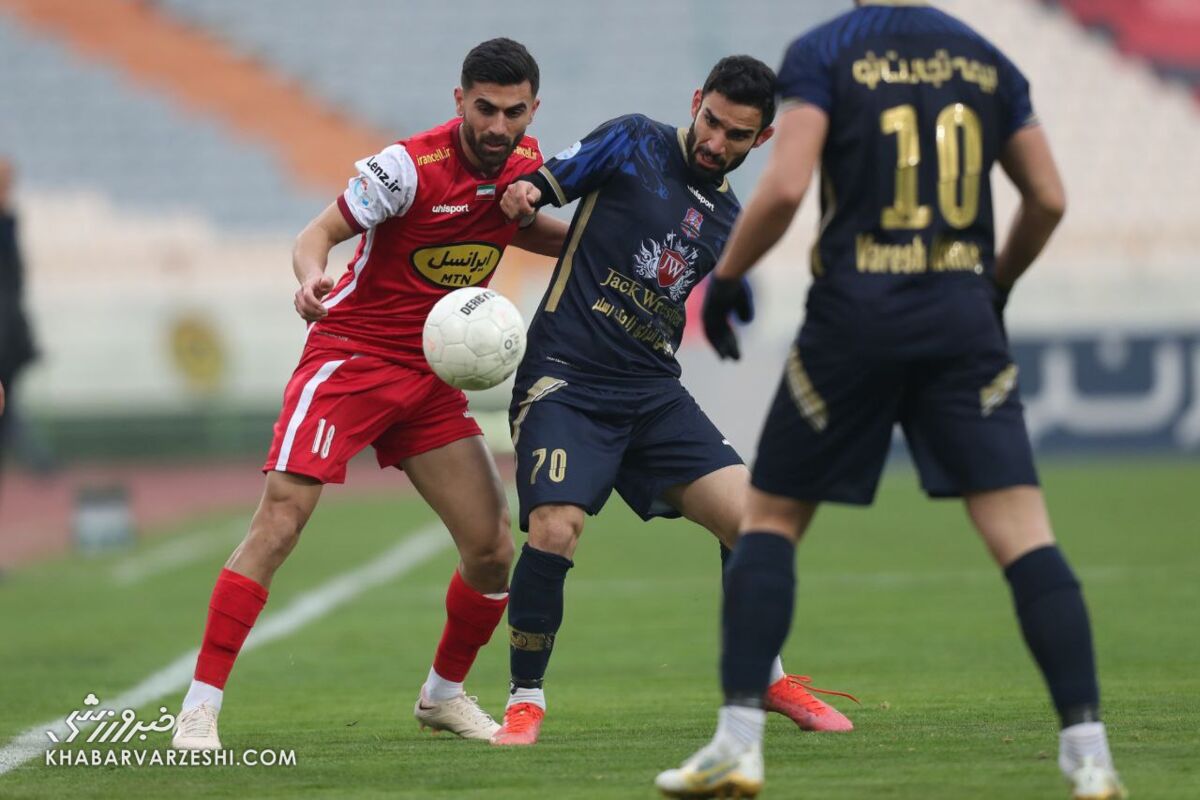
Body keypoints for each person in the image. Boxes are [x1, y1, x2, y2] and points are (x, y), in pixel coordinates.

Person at [656, 3, 1126, 799]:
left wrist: (728, 276)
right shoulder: (985, 59)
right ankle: (1090, 756)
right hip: (960, 323)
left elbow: (787, 186)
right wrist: (995, 287)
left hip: (854, 321)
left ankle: (738, 745)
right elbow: (1047, 198)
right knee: (1025, 537)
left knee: (771, 524)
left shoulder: (826, 50)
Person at [172, 38, 569, 749]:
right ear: (460, 100)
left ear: (533, 109)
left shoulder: (527, 168)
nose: (497, 126)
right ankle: (199, 708)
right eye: (484, 108)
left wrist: (589, 246)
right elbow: (317, 233)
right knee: (280, 522)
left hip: (431, 376)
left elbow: (520, 226)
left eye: (513, 112)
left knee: (491, 549)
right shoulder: (406, 167)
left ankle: (442, 696)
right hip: (351, 360)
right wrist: (310, 278)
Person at [488, 56, 857, 748]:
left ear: (762, 138)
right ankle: (525, 700)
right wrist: (527, 193)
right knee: (556, 527)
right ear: (695, 101)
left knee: (755, 522)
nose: (716, 141)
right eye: (711, 120)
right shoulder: (633, 140)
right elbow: (545, 184)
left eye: (737, 134)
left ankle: (765, 677)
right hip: (566, 379)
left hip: (652, 392)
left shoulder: (731, 220)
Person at [0, 158, 38, 481]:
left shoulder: (9, 222)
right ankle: (41, 461)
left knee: (7, 409)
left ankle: (39, 460)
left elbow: (15, 282)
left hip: (7, 333)